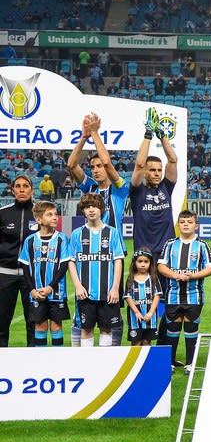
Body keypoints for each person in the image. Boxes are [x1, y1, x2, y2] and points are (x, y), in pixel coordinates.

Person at [67, 113, 129, 347]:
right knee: (85, 315)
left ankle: (111, 354)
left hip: (113, 256)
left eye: (99, 165)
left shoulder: (119, 189)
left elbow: (110, 164)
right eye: (92, 166)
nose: (95, 170)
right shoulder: (89, 188)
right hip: (89, 258)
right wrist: (84, 138)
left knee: (110, 311)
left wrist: (94, 132)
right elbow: (71, 165)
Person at [158, 210, 211, 373]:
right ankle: (170, 362)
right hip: (173, 295)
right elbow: (161, 266)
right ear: (178, 225)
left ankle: (190, 363)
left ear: (196, 225)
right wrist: (175, 275)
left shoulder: (202, 245)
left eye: (189, 222)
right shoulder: (170, 244)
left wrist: (193, 276)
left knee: (191, 328)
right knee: (173, 328)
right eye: (182, 222)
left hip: (194, 296)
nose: (185, 224)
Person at [68, 193, 126, 347]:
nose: (91, 210)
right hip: (85, 292)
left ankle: (103, 366)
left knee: (106, 329)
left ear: (102, 209)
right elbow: (71, 262)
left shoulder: (112, 232)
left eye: (94, 206)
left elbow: (118, 261)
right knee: (86, 329)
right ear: (83, 211)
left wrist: (115, 289)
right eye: (87, 207)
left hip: (107, 292)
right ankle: (87, 366)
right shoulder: (77, 234)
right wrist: (78, 286)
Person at [18, 201, 70, 347]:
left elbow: (63, 266)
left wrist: (50, 287)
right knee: (40, 326)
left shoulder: (62, 239)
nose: (55, 217)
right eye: (49, 214)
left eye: (55, 214)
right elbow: (26, 267)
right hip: (36, 293)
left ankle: (57, 360)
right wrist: (32, 290)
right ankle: (41, 361)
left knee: (56, 326)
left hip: (56, 293)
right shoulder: (30, 240)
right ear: (38, 219)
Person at [130, 108, 179, 258]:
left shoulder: (166, 187)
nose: (157, 173)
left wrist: (162, 135)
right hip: (145, 253)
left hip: (167, 252)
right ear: (145, 172)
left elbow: (173, 160)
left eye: (159, 170)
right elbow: (139, 164)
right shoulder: (137, 191)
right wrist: (148, 134)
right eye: (152, 170)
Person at [0, 175, 36, 346]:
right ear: (13, 190)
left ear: (32, 189)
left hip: (32, 277)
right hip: (5, 274)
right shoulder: (3, 213)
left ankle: (33, 361)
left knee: (33, 322)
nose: (22, 189)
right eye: (18, 186)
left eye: (26, 186)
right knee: (1, 321)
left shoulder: (41, 212)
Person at [123, 248, 161, 346]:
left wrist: (151, 312)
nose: (143, 264)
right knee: (136, 342)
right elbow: (128, 296)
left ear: (150, 263)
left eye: (146, 261)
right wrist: (136, 312)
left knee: (146, 342)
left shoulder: (153, 278)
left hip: (150, 317)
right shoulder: (131, 278)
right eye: (140, 261)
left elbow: (157, 296)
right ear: (134, 262)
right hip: (135, 318)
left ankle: (147, 361)